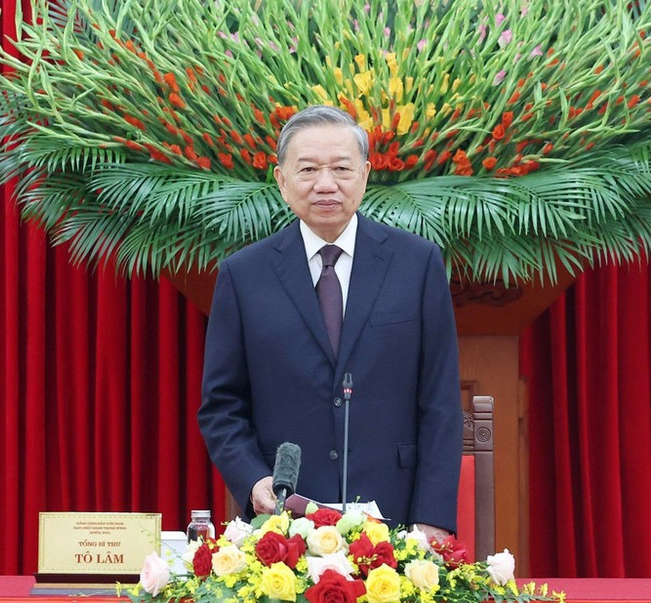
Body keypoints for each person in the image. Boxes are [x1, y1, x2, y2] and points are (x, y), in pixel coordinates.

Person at [198, 105, 463, 540]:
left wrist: (431, 519)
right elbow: (222, 405)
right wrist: (253, 479)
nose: (326, 184)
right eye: (308, 170)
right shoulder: (244, 275)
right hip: (283, 522)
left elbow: (439, 401)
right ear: (282, 180)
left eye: (341, 168)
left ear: (364, 174)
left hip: (396, 516)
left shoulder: (417, 264)